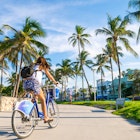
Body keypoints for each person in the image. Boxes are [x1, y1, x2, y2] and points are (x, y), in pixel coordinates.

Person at [23, 57, 58, 123]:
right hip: (34, 84)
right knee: (43, 99)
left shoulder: (33, 65)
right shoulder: (42, 66)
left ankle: (30, 114)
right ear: (43, 62)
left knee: (35, 98)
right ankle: (46, 117)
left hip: (26, 83)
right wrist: (55, 82)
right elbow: (49, 75)